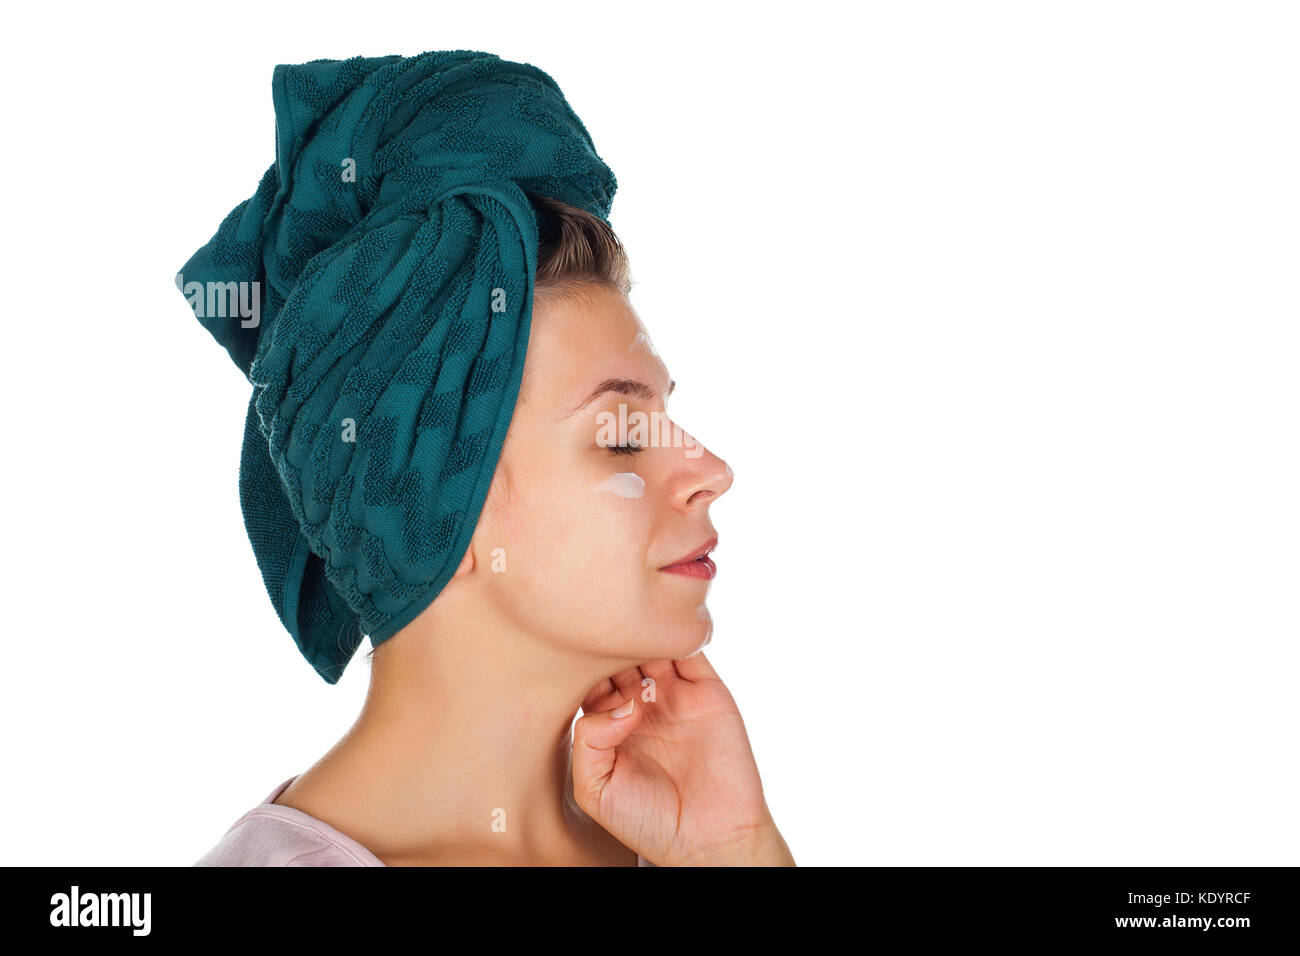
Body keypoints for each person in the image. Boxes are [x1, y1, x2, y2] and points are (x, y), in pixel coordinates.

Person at [185, 52, 793, 867]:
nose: (710, 470)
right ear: (433, 505)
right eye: (621, 434)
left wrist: (738, 851)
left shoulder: (676, 833)